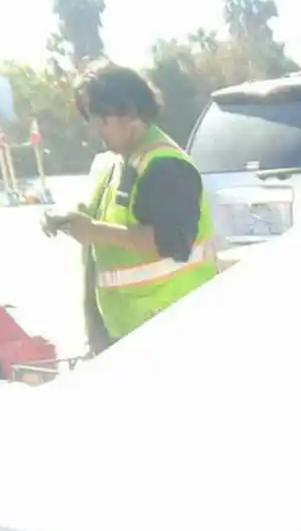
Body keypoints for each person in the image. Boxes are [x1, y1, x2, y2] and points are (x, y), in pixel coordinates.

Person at [40, 63, 216, 354]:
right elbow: (97, 216)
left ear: (130, 113)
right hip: (128, 334)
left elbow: (172, 243)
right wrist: (67, 219)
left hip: (175, 335)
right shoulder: (112, 162)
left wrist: (95, 232)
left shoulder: (165, 166)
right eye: (89, 117)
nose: (93, 128)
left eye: (99, 117)